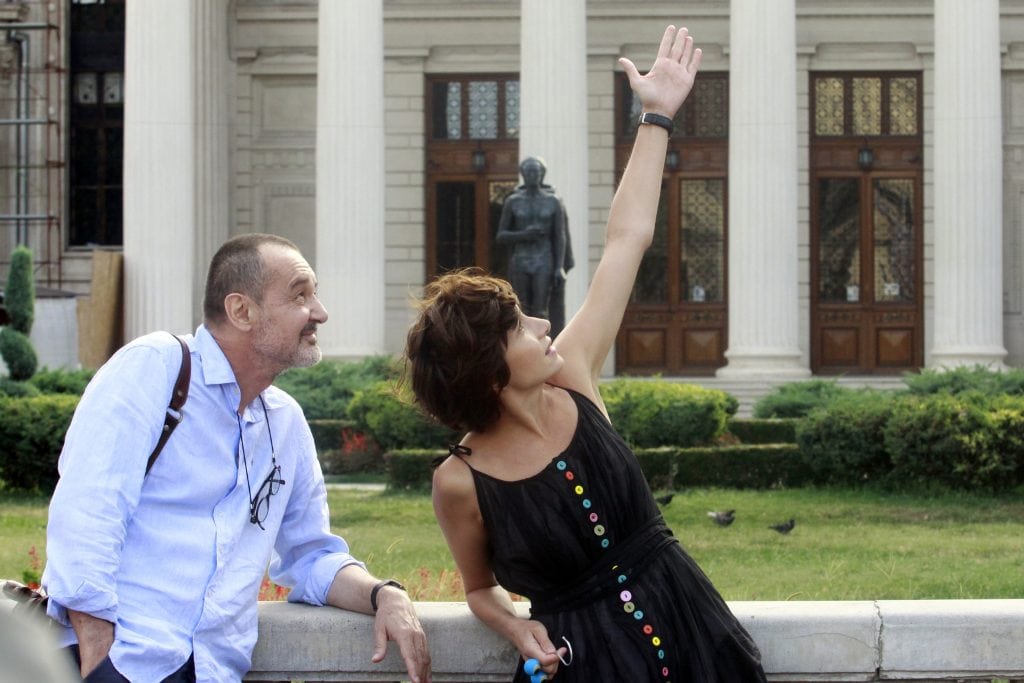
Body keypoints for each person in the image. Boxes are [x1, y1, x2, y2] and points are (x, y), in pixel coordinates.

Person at [405, 26, 767, 681]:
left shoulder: (572, 374)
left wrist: (656, 115)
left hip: (697, 637)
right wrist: (515, 625)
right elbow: (479, 587)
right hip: (588, 668)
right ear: (488, 370)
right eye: (520, 327)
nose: (544, 323)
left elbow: (627, 238)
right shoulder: (458, 481)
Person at [42, 234, 431, 683]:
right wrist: (99, 662)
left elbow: (309, 556)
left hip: (212, 671)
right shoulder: (155, 366)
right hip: (124, 662)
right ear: (241, 311)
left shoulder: (285, 421)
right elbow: (88, 511)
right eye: (300, 296)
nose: (320, 312)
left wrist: (385, 595)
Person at [496, 157, 567, 321]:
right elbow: (501, 236)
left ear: (542, 174)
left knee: (541, 309)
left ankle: (543, 338)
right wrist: (523, 235)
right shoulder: (513, 202)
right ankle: (523, 338)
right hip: (520, 261)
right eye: (528, 172)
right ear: (523, 174)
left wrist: (559, 267)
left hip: (544, 260)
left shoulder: (553, 201)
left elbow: (560, 235)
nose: (532, 175)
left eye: (535, 172)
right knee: (521, 308)